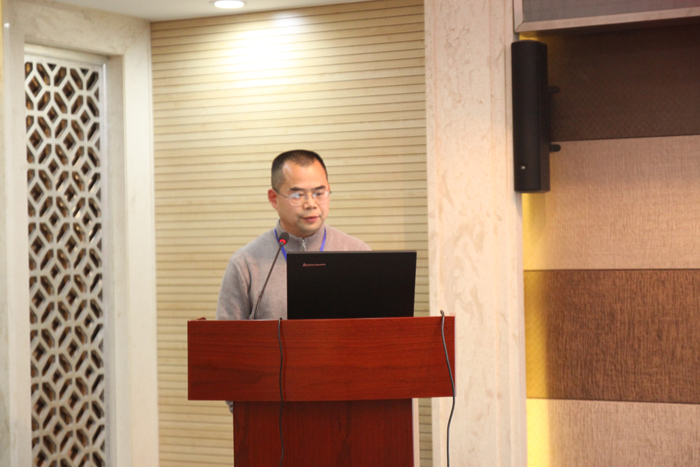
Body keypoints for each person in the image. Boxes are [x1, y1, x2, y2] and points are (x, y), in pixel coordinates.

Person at [216, 149, 370, 322]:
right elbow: (226, 336)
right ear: (274, 198)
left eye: (319, 193)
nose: (311, 204)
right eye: (297, 195)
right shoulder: (245, 263)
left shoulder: (358, 253)